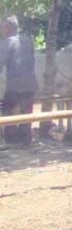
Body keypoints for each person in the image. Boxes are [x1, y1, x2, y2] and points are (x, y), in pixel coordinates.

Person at [0, 16, 38, 147]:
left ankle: (12, 140)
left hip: (15, 85)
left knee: (8, 111)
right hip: (31, 84)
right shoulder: (28, 41)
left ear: (8, 28)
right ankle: (25, 140)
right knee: (27, 112)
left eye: (2, 27)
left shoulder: (6, 43)